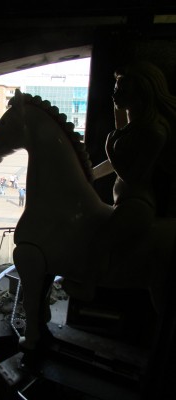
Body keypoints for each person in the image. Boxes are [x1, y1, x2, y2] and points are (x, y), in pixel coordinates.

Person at [84, 61, 176, 300]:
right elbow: (116, 162)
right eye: (116, 87)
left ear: (141, 92)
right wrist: (90, 175)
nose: (115, 93)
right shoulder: (131, 126)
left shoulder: (155, 131)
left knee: (98, 243)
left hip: (136, 203)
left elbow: (131, 175)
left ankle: (85, 285)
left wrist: (109, 148)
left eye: (122, 89)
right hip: (122, 200)